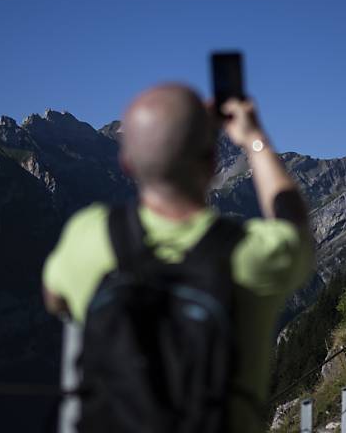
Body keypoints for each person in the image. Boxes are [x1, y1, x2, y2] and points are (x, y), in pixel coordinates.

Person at [42, 84, 315, 433]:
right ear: (214, 162)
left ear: (127, 163)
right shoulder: (252, 253)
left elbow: (55, 299)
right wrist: (253, 139)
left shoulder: (88, 235)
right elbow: (295, 227)